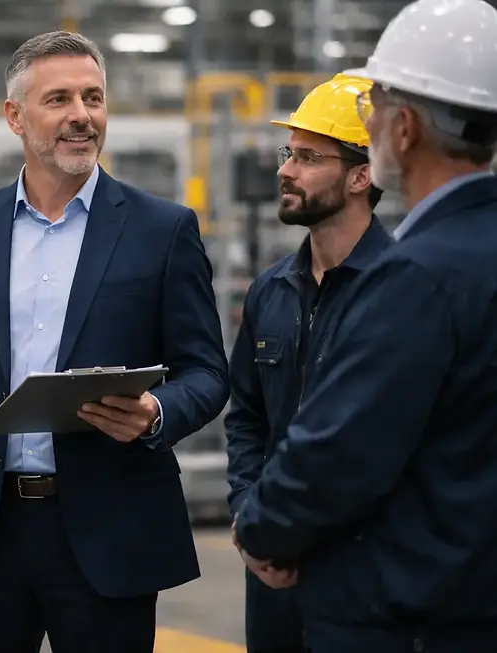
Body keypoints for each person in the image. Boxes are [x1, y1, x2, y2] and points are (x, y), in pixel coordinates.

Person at [0, 30, 229, 653]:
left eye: (93, 97)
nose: (81, 116)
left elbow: (207, 372)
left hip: (110, 529)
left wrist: (156, 412)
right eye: (58, 99)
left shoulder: (162, 230)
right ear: (15, 116)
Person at [232, 0, 497, 651]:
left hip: (404, 608)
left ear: (403, 128)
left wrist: (260, 528)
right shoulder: (474, 250)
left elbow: (341, 451)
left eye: (377, 106)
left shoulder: (414, 277)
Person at [225, 73, 392, 653]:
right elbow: (246, 418)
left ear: (360, 175)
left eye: (308, 157)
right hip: (273, 570)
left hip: (366, 572)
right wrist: (250, 517)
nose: (286, 170)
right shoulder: (271, 291)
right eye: (287, 153)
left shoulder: (405, 293)